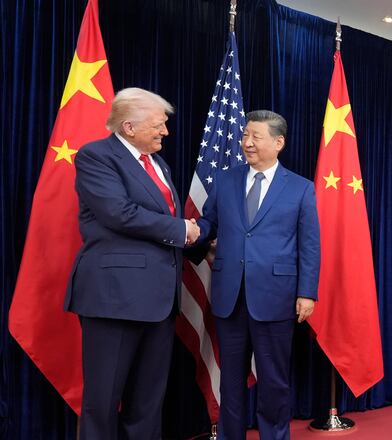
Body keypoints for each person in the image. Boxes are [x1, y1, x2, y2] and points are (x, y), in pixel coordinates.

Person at [64, 88, 200, 439]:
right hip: (115, 299)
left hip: (159, 299)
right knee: (103, 399)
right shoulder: (96, 157)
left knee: (148, 401)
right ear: (128, 126)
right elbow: (119, 214)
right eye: (159, 125)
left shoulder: (158, 162)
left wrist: (195, 241)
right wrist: (182, 230)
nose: (165, 132)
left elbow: (160, 218)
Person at [193, 110, 320, 440]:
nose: (247, 143)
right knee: (231, 382)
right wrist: (194, 233)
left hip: (275, 298)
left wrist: (307, 293)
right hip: (229, 297)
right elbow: (211, 223)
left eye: (256, 137)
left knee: (273, 381)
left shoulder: (301, 189)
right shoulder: (225, 179)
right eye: (245, 135)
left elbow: (309, 245)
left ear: (278, 142)